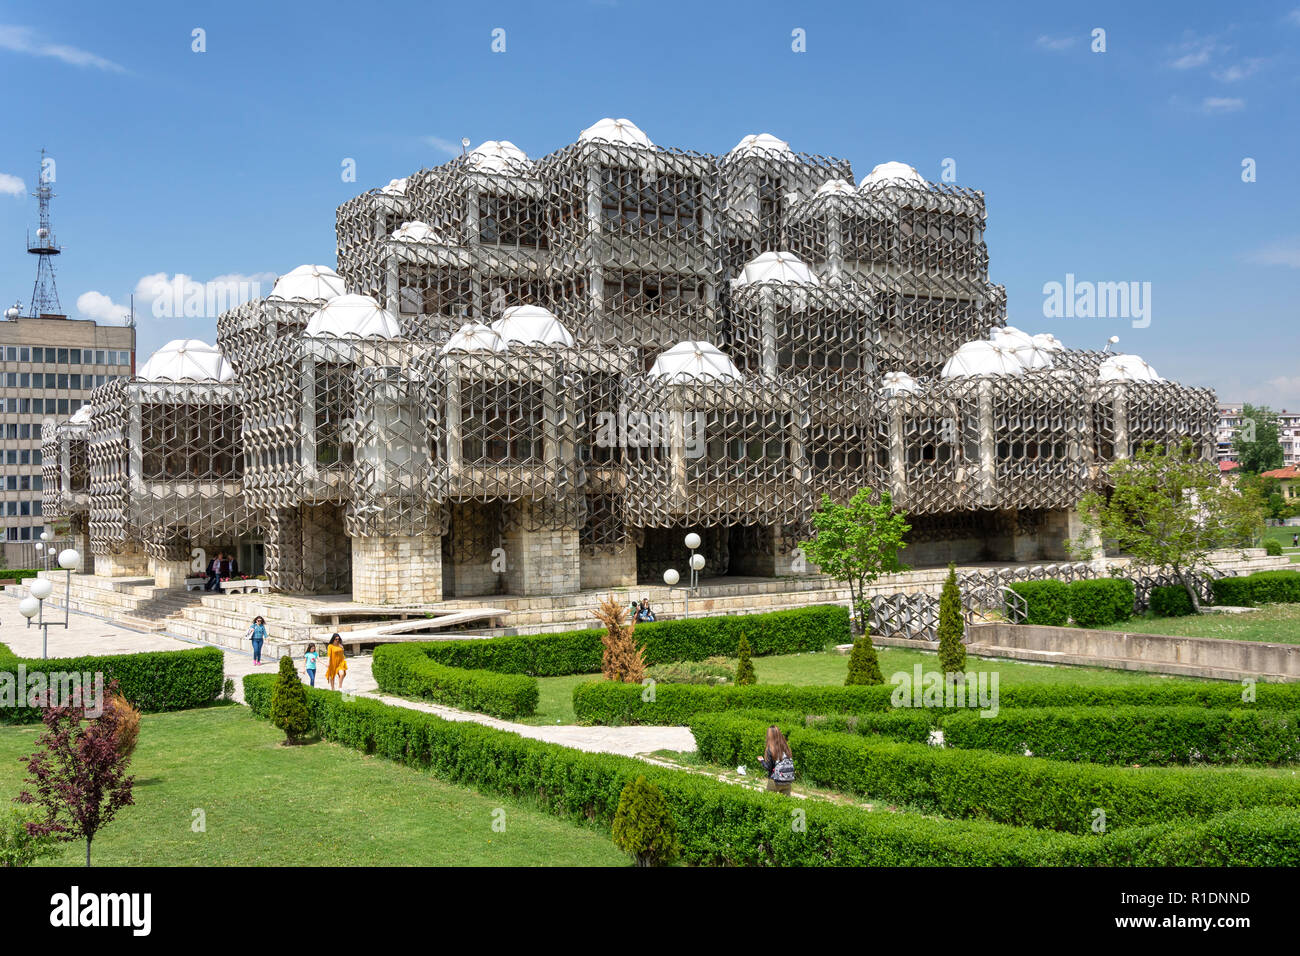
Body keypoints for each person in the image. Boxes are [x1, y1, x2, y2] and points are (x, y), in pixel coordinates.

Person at [759, 725, 795, 796]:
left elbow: (769, 767)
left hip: (775, 781)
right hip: (787, 780)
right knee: (786, 803)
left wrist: (762, 761)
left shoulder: (770, 748)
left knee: (769, 800)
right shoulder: (786, 747)